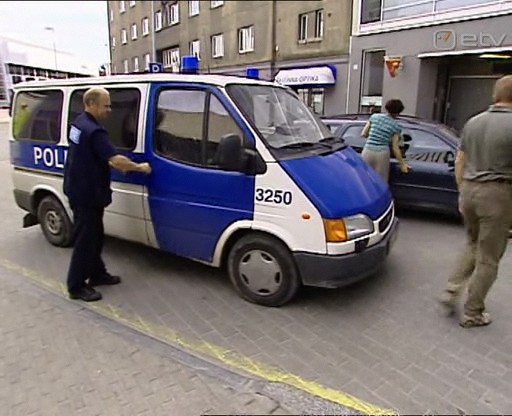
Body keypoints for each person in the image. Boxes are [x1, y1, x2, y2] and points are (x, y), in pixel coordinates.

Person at [63, 87, 152, 302]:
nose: (110, 110)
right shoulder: (94, 131)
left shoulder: (78, 123)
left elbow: (88, 155)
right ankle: (75, 286)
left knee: (95, 235)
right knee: (86, 240)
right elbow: (115, 160)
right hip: (86, 193)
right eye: (106, 105)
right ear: (91, 104)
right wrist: (140, 167)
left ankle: (97, 273)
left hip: (79, 188)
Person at [439, 75, 512, 328]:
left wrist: (463, 190)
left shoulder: (474, 122)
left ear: (496, 95)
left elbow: (460, 160)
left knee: (472, 243)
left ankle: (451, 290)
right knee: (489, 257)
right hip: (498, 195)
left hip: (469, 190)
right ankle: (473, 312)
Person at [361, 99, 409, 182]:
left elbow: (364, 134)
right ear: (399, 112)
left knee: (364, 180)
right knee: (380, 181)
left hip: (367, 151)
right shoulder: (396, 126)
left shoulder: (374, 117)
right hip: (382, 154)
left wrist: (375, 135)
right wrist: (402, 165)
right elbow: (395, 148)